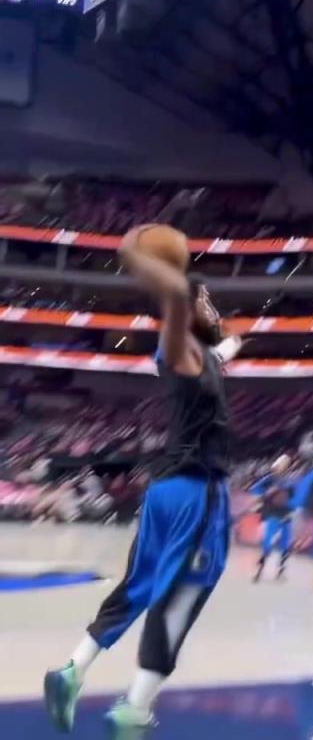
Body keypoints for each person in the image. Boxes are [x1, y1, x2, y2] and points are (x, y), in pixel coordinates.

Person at [43, 225, 238, 740]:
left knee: (140, 584)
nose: (212, 307)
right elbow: (177, 299)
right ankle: (134, 709)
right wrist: (141, 255)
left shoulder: (202, 356)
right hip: (196, 493)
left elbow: (220, 350)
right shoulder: (180, 346)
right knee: (183, 592)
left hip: (167, 491)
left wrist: (232, 342)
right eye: (205, 300)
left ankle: (72, 670)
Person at [251, 454, 295, 582]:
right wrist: (265, 494)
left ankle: (281, 569)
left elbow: (295, 496)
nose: (282, 467)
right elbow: (255, 489)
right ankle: (260, 569)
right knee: (268, 540)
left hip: (286, 514)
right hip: (273, 513)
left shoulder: (291, 480)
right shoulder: (270, 479)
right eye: (280, 464)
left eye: (284, 464)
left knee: (286, 543)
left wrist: (292, 508)